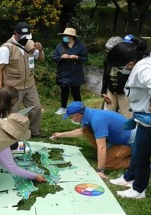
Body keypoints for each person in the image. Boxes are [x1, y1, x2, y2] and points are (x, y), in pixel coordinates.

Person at [107, 38, 151, 199]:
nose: (119, 70)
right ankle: (129, 177)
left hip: (148, 121)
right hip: (142, 116)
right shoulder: (143, 62)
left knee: (141, 156)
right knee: (138, 151)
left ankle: (138, 190)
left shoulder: (142, 68)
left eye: (120, 66)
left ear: (130, 63)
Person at [51, 101, 136, 179]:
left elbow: (101, 147)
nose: (71, 119)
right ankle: (111, 152)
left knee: (106, 163)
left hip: (131, 143)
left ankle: (133, 161)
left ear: (77, 115)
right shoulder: (89, 114)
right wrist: (61, 135)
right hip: (118, 138)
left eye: (70, 117)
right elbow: (82, 131)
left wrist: (100, 171)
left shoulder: (97, 120)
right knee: (86, 130)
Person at [0, 21, 46, 138]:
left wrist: (41, 50)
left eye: (27, 36)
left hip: (29, 85)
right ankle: (11, 134)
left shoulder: (31, 44)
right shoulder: (6, 48)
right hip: (13, 87)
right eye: (22, 37)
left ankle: (34, 131)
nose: (25, 39)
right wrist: (0, 88)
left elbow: (41, 60)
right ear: (15, 34)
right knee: (12, 112)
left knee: (36, 108)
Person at [52, 27, 88, 115]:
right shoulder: (60, 46)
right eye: (64, 35)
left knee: (76, 91)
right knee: (64, 90)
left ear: (72, 36)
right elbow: (53, 57)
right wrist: (61, 57)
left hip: (76, 72)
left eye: (67, 35)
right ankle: (63, 107)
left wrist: (77, 57)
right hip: (63, 72)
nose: (65, 37)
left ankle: (79, 109)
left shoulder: (80, 46)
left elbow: (85, 58)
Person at [101, 35, 134, 118]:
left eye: (111, 50)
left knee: (126, 115)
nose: (109, 52)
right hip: (111, 90)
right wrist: (103, 91)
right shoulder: (107, 60)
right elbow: (105, 76)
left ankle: (126, 130)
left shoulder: (130, 61)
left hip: (124, 92)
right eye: (107, 50)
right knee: (108, 112)